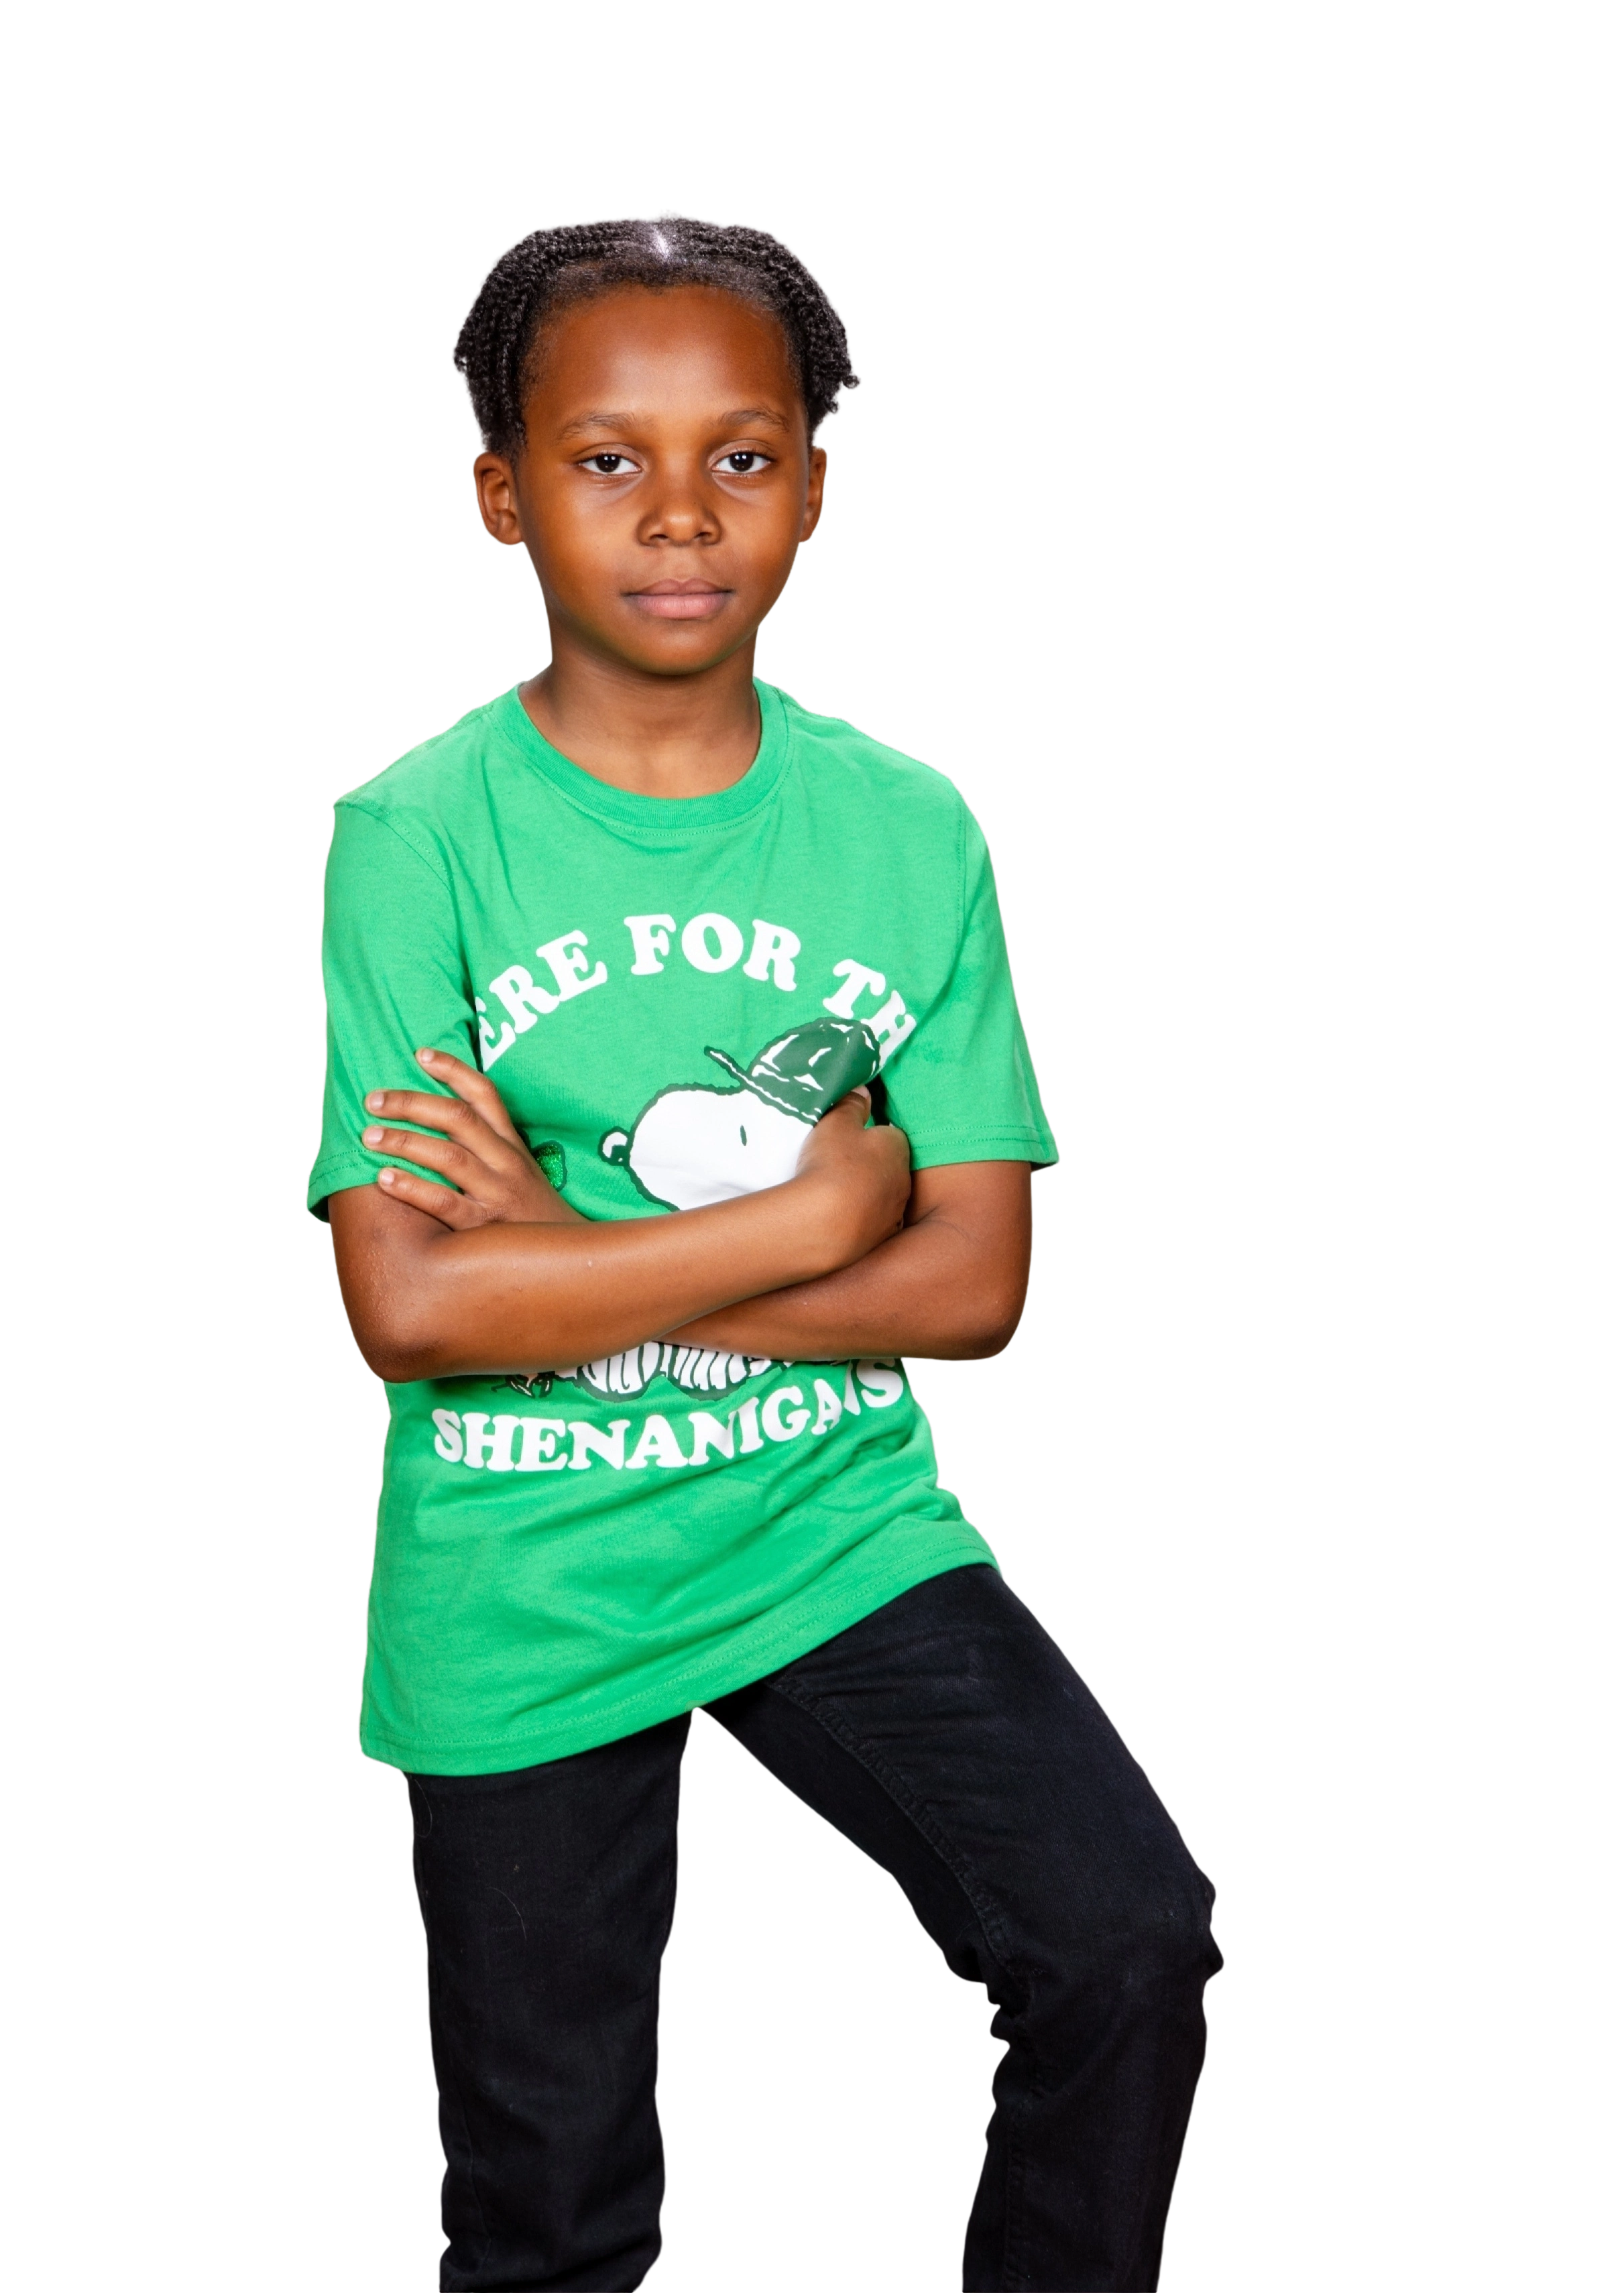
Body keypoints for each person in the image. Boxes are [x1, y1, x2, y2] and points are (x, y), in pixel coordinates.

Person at [304, 211, 1224, 2293]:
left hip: (832, 1522)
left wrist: (575, 1246)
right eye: (604, 457)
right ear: (500, 493)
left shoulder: (906, 828)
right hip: (528, 1576)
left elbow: (974, 1279)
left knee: (1126, 1943)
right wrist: (810, 1214)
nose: (678, 512)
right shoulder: (418, 837)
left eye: (741, 452)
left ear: (815, 483)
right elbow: (414, 1304)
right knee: (551, 2215)